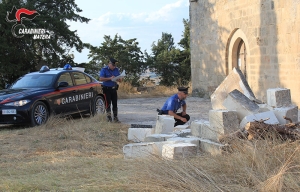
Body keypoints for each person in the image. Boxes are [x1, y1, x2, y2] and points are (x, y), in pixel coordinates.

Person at [99, 58, 122, 123]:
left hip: (114, 89)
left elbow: (120, 78)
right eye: (113, 65)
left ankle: (115, 118)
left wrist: (119, 79)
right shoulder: (104, 69)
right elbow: (101, 78)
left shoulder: (116, 69)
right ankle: (109, 119)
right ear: (109, 64)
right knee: (108, 104)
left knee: (115, 104)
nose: (114, 67)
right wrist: (110, 78)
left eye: (114, 66)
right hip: (107, 89)